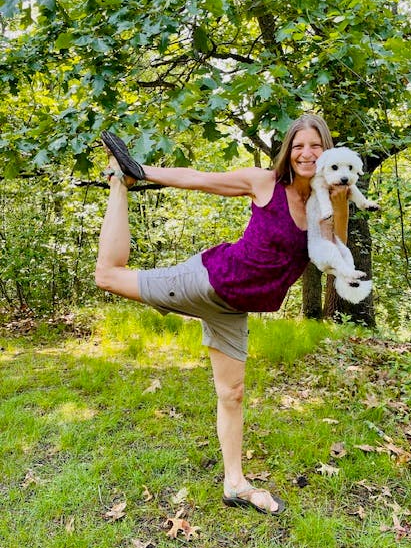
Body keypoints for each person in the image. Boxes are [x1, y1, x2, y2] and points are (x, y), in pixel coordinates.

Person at [95, 113, 349, 515]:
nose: (306, 153)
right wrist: (137, 172)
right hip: (208, 280)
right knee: (109, 276)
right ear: (288, 151)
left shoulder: (322, 206)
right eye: (299, 145)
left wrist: (340, 204)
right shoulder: (263, 182)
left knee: (232, 393)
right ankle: (117, 186)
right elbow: (199, 177)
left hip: (235, 308)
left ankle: (234, 484)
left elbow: (334, 254)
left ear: (327, 151)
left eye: (315, 145)